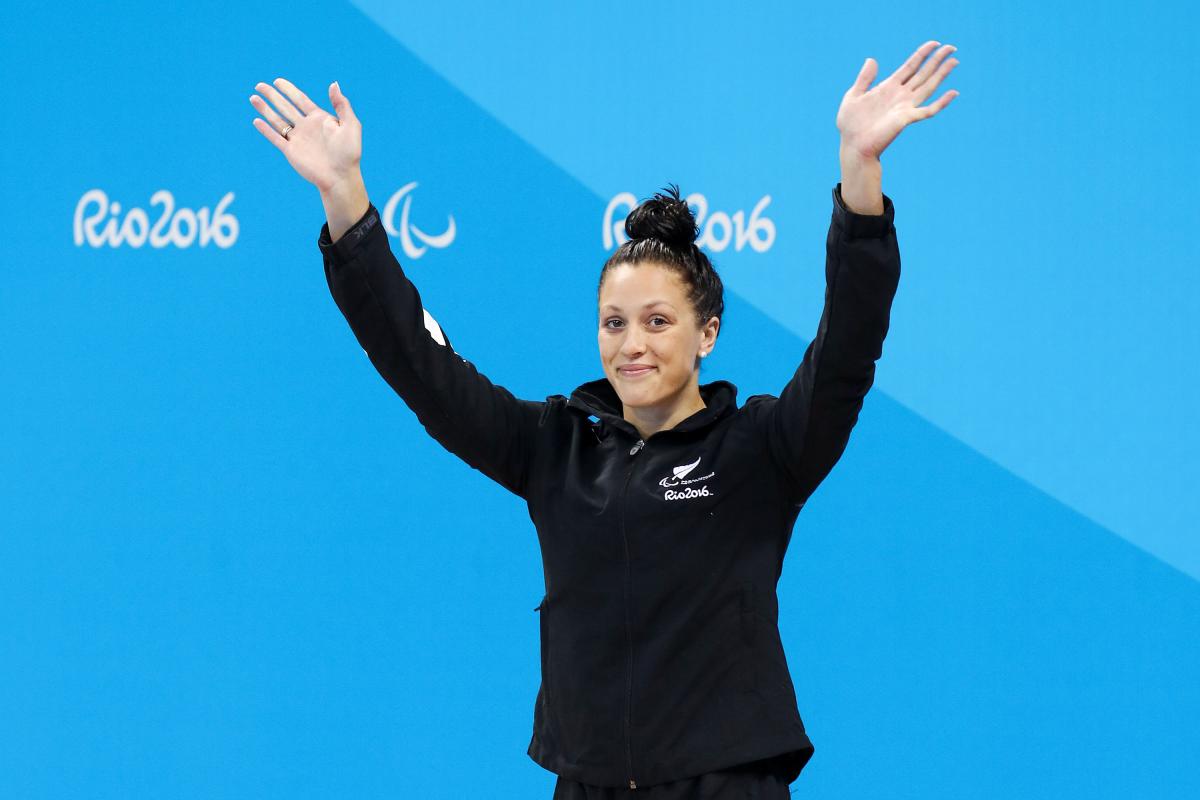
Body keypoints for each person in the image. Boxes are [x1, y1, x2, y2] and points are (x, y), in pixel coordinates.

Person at [249, 39, 958, 799]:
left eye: (657, 321)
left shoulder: (762, 447)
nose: (632, 344)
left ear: (707, 333)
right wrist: (345, 199)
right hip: (585, 785)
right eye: (614, 322)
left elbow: (848, 349)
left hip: (723, 785)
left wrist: (859, 179)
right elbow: (425, 373)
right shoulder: (553, 447)